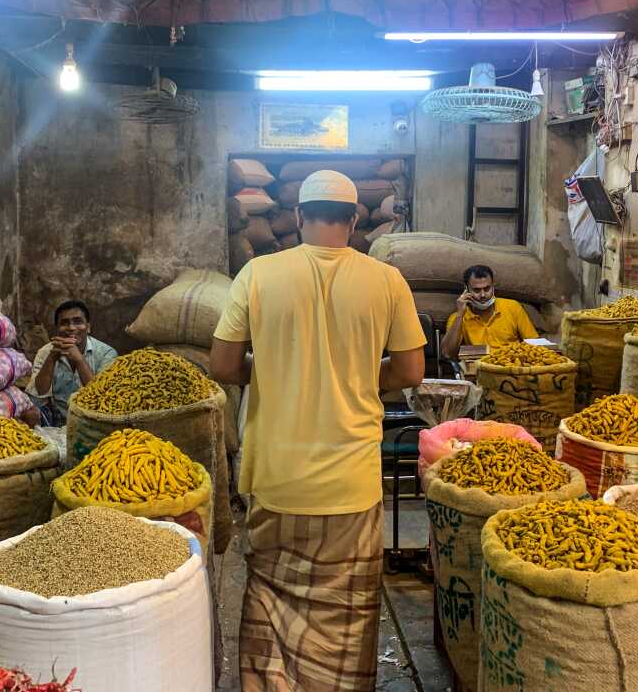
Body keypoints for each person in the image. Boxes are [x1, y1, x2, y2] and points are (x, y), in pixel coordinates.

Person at [211, 170, 426, 692]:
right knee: (345, 626)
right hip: (350, 487)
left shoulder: (259, 275)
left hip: (278, 481)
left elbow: (221, 364)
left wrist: (268, 371)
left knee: (269, 612)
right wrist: (359, 376)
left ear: (301, 216)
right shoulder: (386, 279)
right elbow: (411, 372)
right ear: (354, 221)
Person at [26, 299, 118, 426]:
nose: (71, 328)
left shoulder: (106, 353)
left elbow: (102, 396)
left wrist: (79, 360)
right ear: (57, 329)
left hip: (93, 414)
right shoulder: (46, 351)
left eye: (77, 322)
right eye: (64, 323)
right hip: (59, 414)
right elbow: (41, 391)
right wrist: (52, 358)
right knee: (29, 415)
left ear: (88, 327)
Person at [440, 264, 539, 358]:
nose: (483, 295)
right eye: (477, 290)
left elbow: (534, 344)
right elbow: (447, 353)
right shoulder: (458, 317)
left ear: (493, 287)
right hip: (479, 368)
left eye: (487, 288)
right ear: (466, 290)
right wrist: (460, 315)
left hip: (512, 365)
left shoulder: (513, 307)